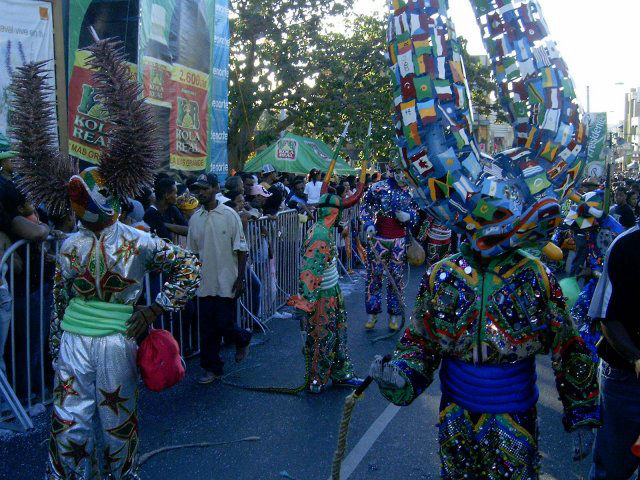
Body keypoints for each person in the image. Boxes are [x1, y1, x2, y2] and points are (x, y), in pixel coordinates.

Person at [9, 42, 201, 480]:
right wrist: (57, 345)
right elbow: (59, 297)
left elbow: (188, 266)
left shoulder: (139, 239)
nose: (83, 206)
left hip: (118, 341)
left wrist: (153, 309)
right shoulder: (68, 245)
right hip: (75, 342)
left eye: (90, 197)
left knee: (117, 424)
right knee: (67, 425)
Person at [288, 158, 368, 393]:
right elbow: (309, 273)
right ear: (334, 213)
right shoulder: (320, 235)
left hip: (333, 292)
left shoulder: (324, 229)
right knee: (322, 337)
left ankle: (340, 373)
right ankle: (317, 378)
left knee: (337, 333)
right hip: (322, 296)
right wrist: (305, 303)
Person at [187, 173, 252, 384]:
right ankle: (212, 368)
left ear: (216, 188)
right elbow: (193, 253)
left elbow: (242, 250)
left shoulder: (229, 215)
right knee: (207, 328)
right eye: (198, 189)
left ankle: (243, 338)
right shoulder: (195, 219)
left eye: (205, 188)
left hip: (227, 280)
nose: (201, 193)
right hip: (204, 282)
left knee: (224, 324)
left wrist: (240, 279)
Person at [588, 224, 640, 479]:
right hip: (627, 379)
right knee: (613, 467)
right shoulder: (627, 245)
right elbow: (606, 317)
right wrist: (636, 357)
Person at [360, 170, 417, 331]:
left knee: (396, 279)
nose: (404, 176)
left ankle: (394, 316)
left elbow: (417, 212)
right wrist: (369, 224)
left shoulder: (412, 190)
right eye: (401, 171)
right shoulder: (378, 187)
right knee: (374, 276)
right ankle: (372, 314)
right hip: (379, 239)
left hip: (399, 241)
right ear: (393, 171)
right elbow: (365, 206)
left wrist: (409, 217)